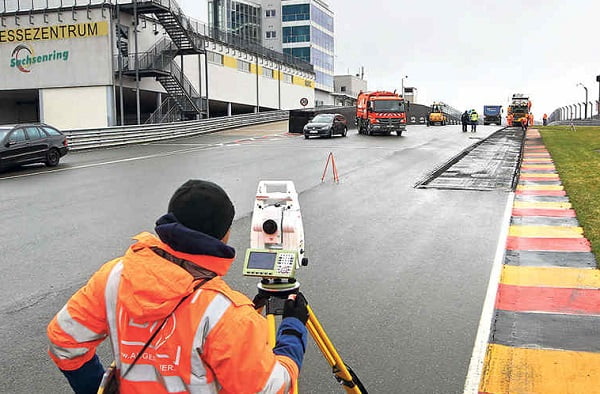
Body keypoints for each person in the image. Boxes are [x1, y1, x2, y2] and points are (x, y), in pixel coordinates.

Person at [47, 180, 308, 394]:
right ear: (225, 234)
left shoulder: (114, 275)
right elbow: (269, 389)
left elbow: (64, 339)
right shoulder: (226, 312)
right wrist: (292, 333)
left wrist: (96, 389)